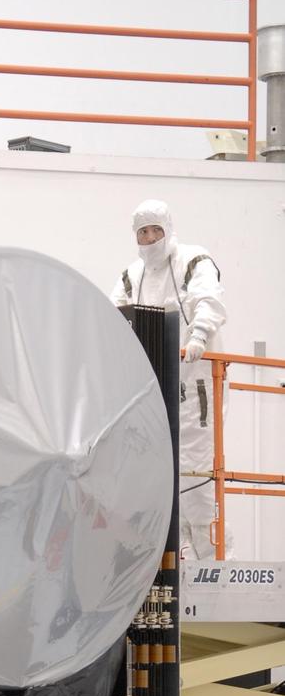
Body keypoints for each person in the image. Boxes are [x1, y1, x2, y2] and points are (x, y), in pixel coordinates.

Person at [110, 198, 232, 559]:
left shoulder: (192, 261)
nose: (149, 239)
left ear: (168, 230)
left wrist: (199, 335)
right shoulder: (133, 274)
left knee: (198, 469)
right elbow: (115, 313)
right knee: (162, 471)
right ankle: (179, 554)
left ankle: (213, 554)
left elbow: (207, 298)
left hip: (197, 382)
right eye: (142, 233)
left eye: (155, 231)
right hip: (156, 386)